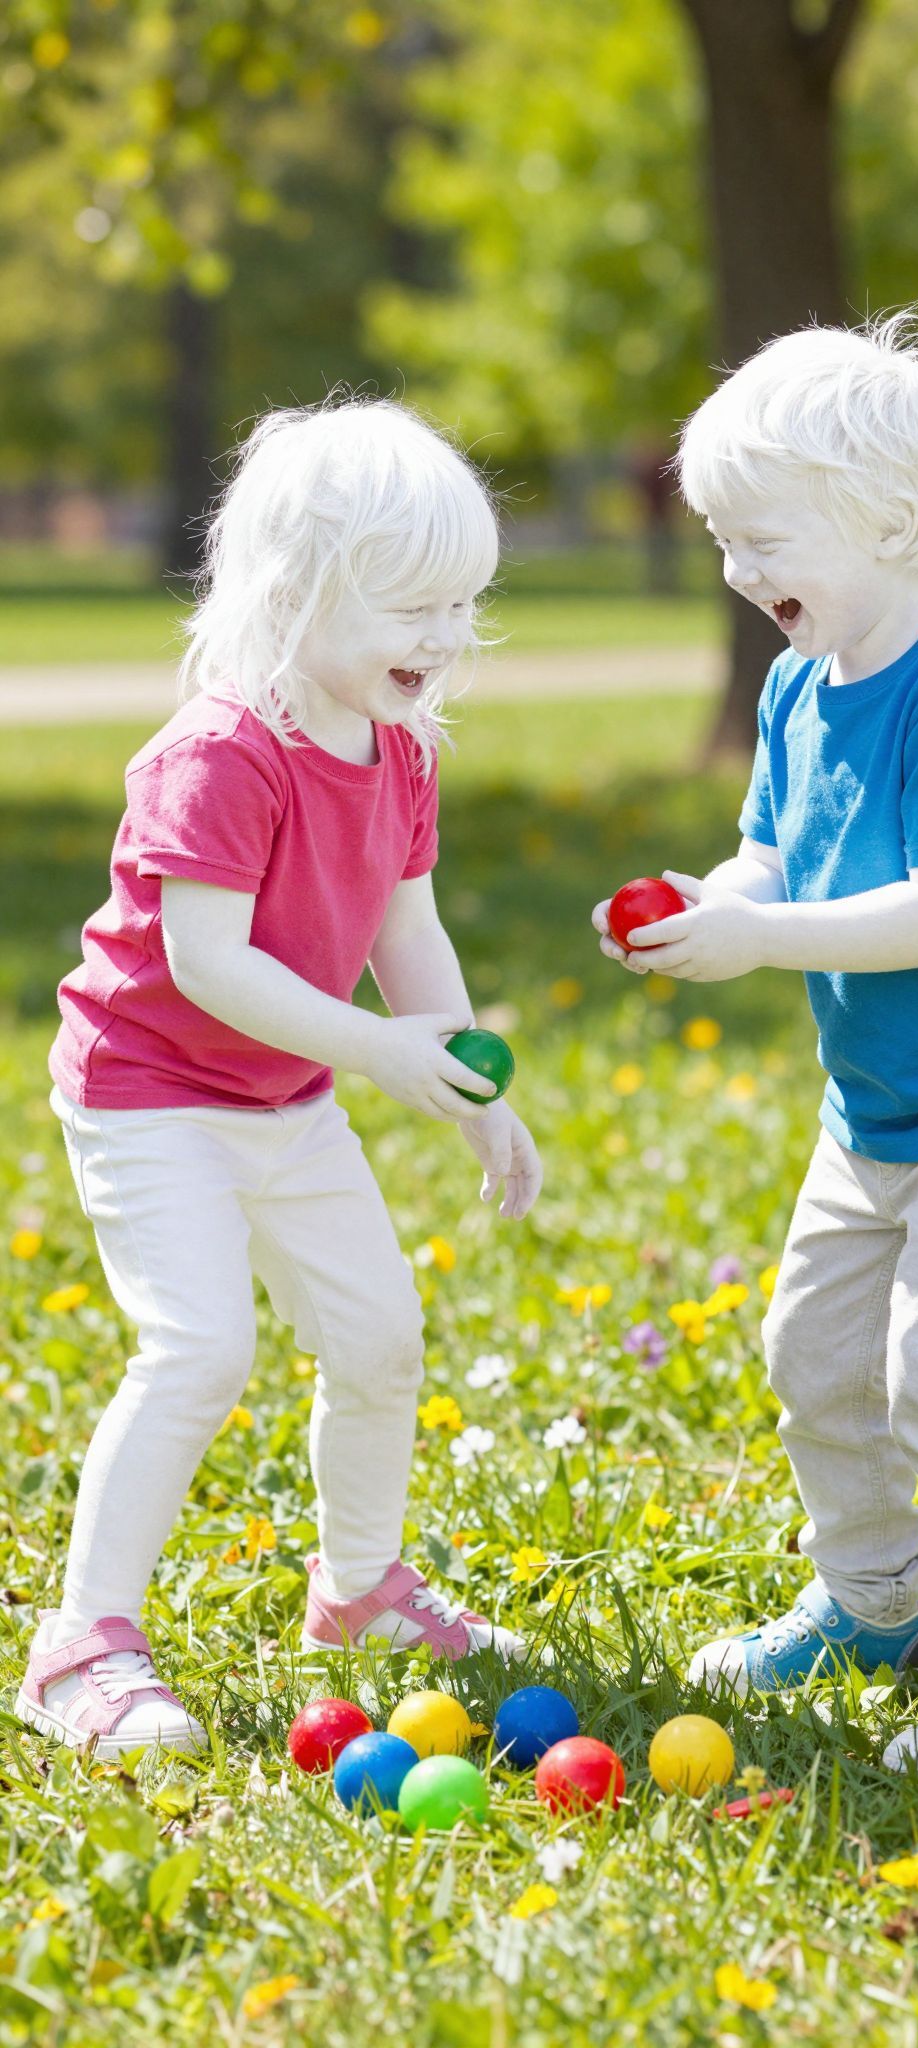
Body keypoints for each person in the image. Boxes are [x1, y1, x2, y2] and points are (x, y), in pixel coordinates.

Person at [593, 315, 918, 1780]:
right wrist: (711, 906)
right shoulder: (795, 686)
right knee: (815, 1356)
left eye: (762, 539)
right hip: (873, 1105)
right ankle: (879, 1605)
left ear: (886, 519)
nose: (737, 574)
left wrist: (763, 941)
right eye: (722, 541)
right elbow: (770, 855)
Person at [18, 399, 543, 1760]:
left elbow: (405, 931)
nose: (441, 641)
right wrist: (381, 1053)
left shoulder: (403, 754)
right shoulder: (219, 753)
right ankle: (83, 1643)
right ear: (297, 591)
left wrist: (479, 1090)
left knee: (379, 1339)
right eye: (410, 606)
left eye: (460, 608)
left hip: (284, 1099)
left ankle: (362, 1593)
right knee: (200, 1347)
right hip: (151, 1091)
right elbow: (208, 965)